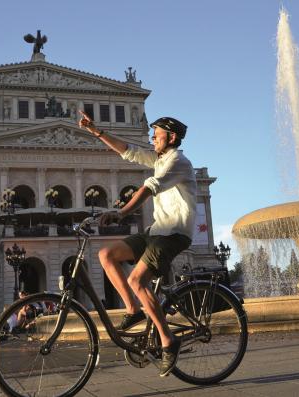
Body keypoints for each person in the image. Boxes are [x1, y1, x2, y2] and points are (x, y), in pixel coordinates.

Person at [78, 111, 196, 377]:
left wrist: (121, 213)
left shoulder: (178, 162)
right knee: (107, 254)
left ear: (172, 137)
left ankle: (168, 341)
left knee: (137, 281)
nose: (152, 138)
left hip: (174, 233)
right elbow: (129, 151)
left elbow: (148, 188)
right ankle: (133, 309)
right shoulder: (160, 158)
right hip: (156, 231)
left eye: (157, 135)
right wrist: (96, 132)